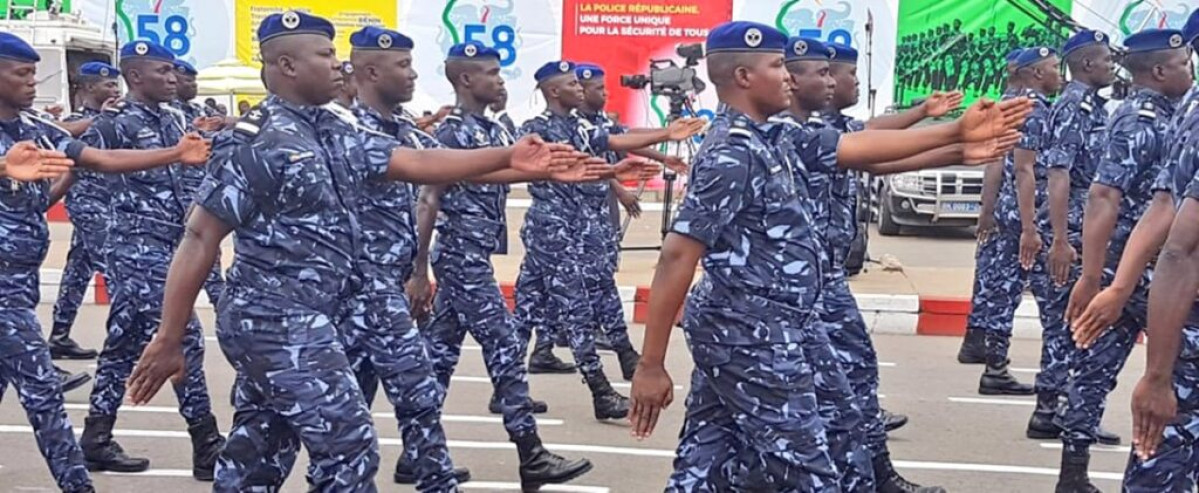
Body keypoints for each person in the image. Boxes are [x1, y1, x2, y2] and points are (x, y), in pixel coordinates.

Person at [125, 11, 584, 491]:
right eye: (325, 55)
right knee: (349, 442)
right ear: (287, 65)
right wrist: (169, 336)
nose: (338, 64)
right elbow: (200, 236)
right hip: (276, 318)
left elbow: (415, 160)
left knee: (260, 449)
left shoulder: (333, 127)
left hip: (323, 311)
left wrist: (510, 157)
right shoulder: (257, 140)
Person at [628, 21, 1031, 491]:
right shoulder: (730, 153)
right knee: (809, 470)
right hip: (748, 329)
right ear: (742, 77)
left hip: (788, 321)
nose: (788, 78)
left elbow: (856, 146)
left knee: (728, 450)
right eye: (778, 67)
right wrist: (651, 364)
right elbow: (676, 257)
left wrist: (955, 142)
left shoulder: (775, 135)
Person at [409, 40, 658, 490]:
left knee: (439, 357)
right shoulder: (450, 135)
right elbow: (429, 197)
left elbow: (504, 170)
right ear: (466, 79)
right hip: (462, 260)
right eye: (491, 73)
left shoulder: (489, 132)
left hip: (474, 256)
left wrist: (600, 171)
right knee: (505, 348)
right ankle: (532, 454)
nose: (501, 81)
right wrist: (418, 268)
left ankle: (415, 454)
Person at [0, 31, 212, 493]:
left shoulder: (34, 127)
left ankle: (98, 435)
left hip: (20, 284)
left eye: (34, 72)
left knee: (117, 346)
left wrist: (177, 152)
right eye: (22, 74)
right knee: (45, 397)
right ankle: (82, 483)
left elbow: (98, 158)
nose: (34, 82)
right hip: (20, 293)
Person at [514, 59, 704, 420]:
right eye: (572, 85)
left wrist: (663, 137)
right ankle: (601, 391)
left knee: (525, 311)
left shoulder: (579, 126)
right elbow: (562, 167)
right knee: (577, 311)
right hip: (552, 231)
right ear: (554, 91)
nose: (580, 90)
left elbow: (615, 139)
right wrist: (616, 171)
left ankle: (509, 389)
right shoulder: (536, 130)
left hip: (574, 229)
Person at [1052, 29, 1194, 492]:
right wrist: (1096, 278)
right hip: (1138, 269)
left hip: (1154, 272)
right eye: (1181, 63)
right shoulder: (1138, 118)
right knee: (1100, 372)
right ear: (1158, 70)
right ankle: (1073, 472)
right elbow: (1104, 196)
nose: (1188, 70)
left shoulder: (1182, 112)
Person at [76, 40, 225, 480]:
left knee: (123, 343)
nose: (172, 78)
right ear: (135, 77)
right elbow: (92, 170)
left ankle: (96, 438)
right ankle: (206, 443)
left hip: (174, 244)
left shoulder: (178, 118)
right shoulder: (114, 122)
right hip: (136, 248)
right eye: (162, 71)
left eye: (173, 72)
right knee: (182, 337)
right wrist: (111, 243)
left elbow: (201, 162)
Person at [1024, 31, 1118, 444]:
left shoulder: (1093, 106)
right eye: (1105, 61)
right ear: (1086, 65)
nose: (1111, 66)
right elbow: (1058, 174)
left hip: (1085, 225)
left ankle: (1058, 408)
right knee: (1068, 320)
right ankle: (1053, 409)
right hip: (1072, 228)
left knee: (1072, 321)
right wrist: (1060, 239)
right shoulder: (1073, 108)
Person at [572, 61, 690, 380]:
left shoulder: (595, 122)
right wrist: (618, 183)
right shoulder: (568, 125)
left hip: (592, 211)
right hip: (569, 220)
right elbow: (589, 160)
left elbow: (623, 138)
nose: (605, 94)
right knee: (582, 285)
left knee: (554, 288)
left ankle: (554, 349)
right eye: (599, 89)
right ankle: (609, 368)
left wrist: (663, 156)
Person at [47, 61, 121, 362]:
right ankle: (125, 339)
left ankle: (59, 336)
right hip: (88, 204)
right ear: (90, 87)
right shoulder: (77, 121)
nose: (115, 90)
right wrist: (100, 120)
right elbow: (60, 136)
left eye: (116, 85)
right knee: (116, 270)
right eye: (108, 85)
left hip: (108, 202)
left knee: (77, 273)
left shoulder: (118, 117)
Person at [958, 47, 1028, 364]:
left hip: (1003, 206)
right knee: (1005, 281)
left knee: (991, 274)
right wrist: (986, 211)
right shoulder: (1018, 108)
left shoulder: (1005, 102)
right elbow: (995, 164)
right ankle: (993, 357)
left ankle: (975, 342)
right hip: (1013, 209)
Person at [173, 58, 227, 307]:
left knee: (210, 263)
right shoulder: (169, 115)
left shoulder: (200, 113)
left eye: (195, 80)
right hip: (168, 204)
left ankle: (223, 309)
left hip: (201, 195)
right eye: (188, 80)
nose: (193, 85)